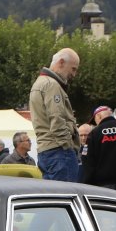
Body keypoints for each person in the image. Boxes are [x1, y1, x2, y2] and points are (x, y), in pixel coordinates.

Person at [30, 48, 81, 181]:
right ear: (61, 62)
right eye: (73, 69)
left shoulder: (40, 83)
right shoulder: (52, 85)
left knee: (52, 193)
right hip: (59, 152)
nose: (74, 74)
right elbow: (57, 120)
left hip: (47, 151)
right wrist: (68, 147)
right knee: (66, 192)